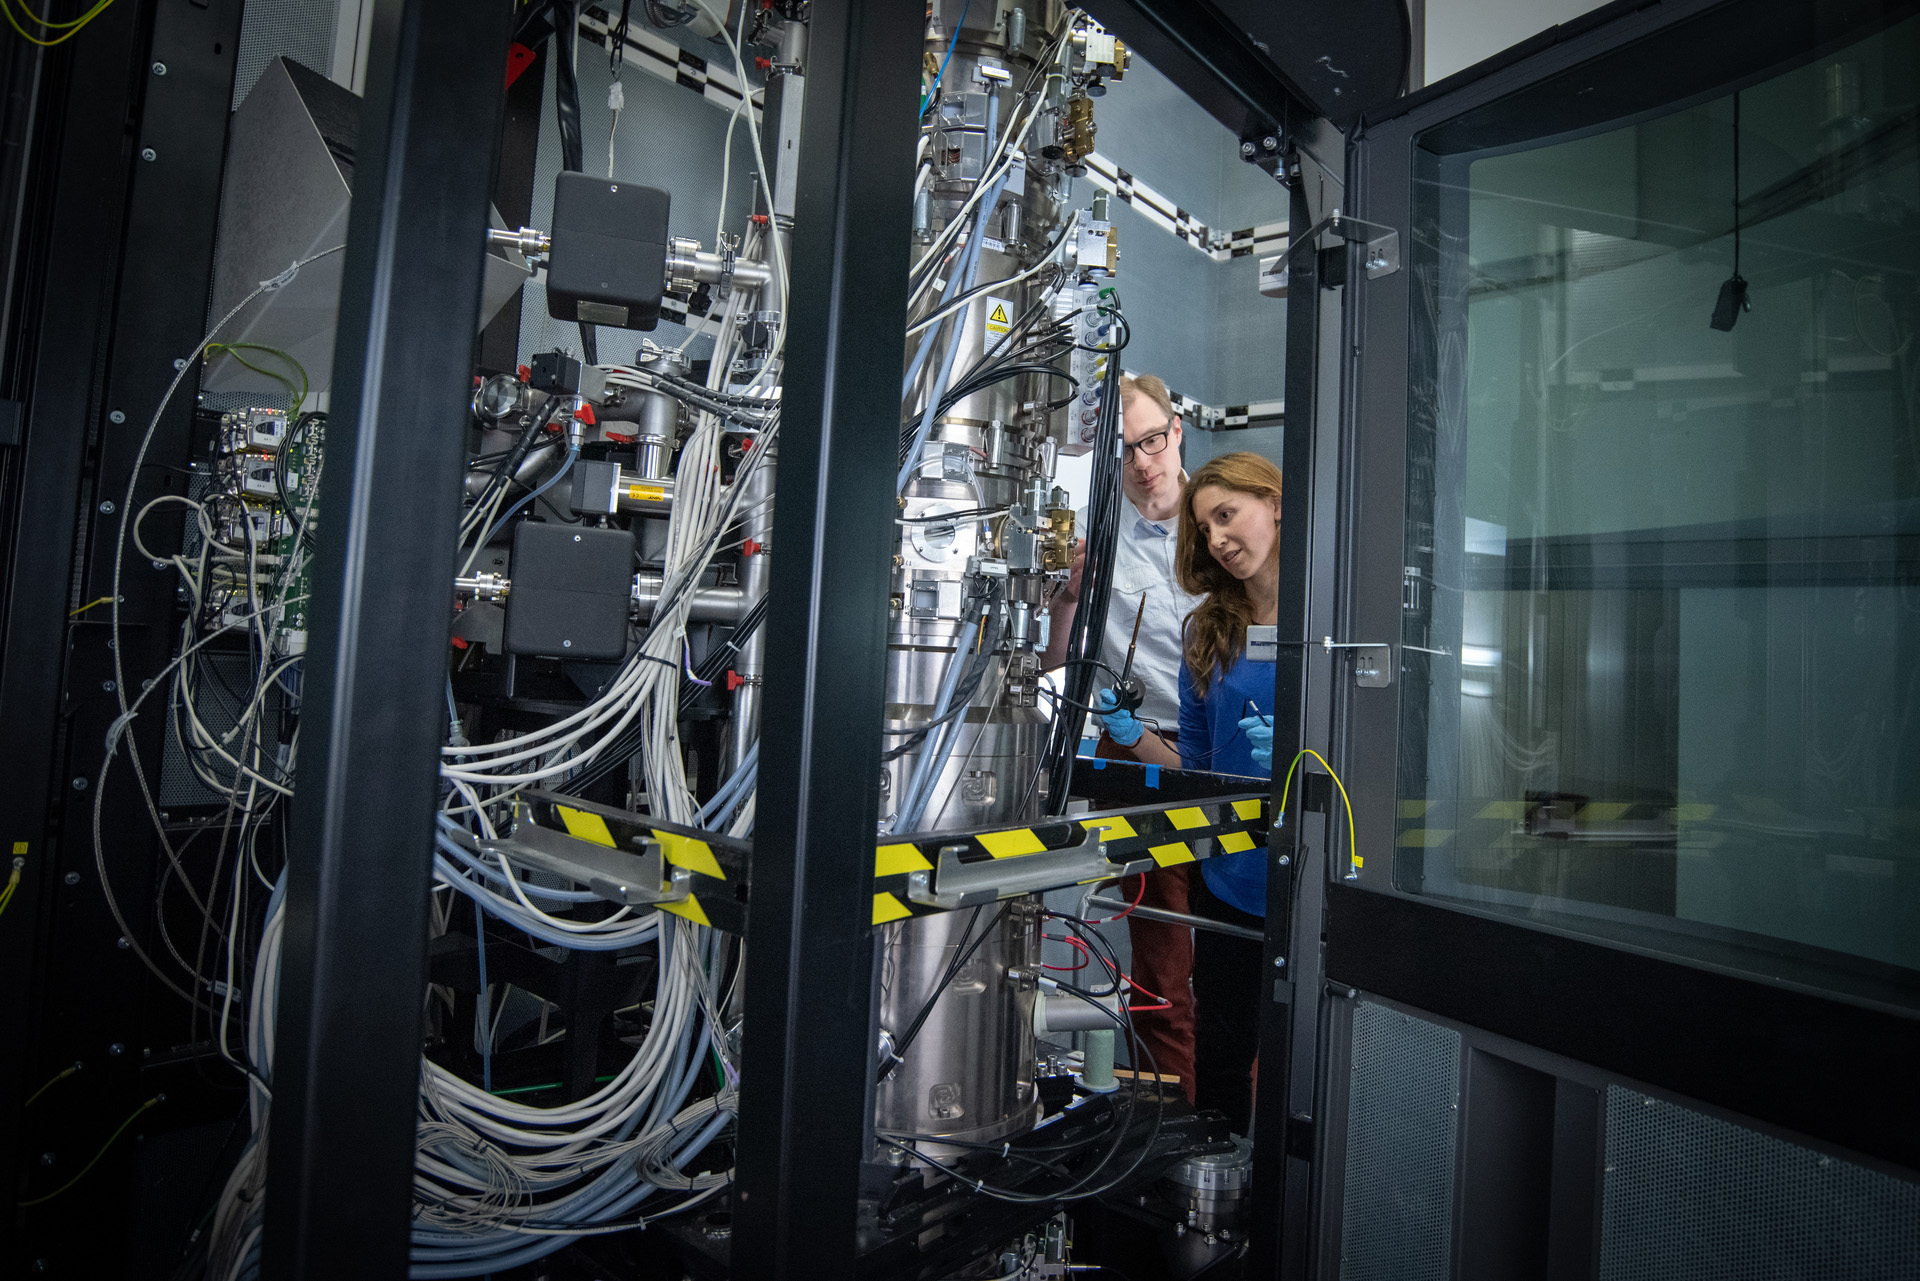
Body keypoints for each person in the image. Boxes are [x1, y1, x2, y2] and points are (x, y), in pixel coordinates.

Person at [1094, 451, 1281, 1134]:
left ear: (1276, 502)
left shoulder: (1327, 618)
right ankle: (1216, 1191)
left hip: (1305, 876)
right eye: (1204, 528)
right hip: (1231, 881)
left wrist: (1296, 752)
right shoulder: (1207, 631)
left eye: (1228, 515)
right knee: (1224, 1055)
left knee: (1297, 1061)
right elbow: (1193, 765)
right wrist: (1129, 731)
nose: (1217, 539)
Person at [1042, 373, 1203, 1101]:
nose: (1143, 462)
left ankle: (1228, 1113)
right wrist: (1070, 598)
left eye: (1152, 441)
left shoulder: (1228, 515)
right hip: (1137, 752)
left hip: (1223, 754)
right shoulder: (1097, 538)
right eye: (1127, 450)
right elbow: (1054, 662)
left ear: (1179, 432)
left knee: (1243, 954)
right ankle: (1165, 1120)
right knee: (1163, 964)